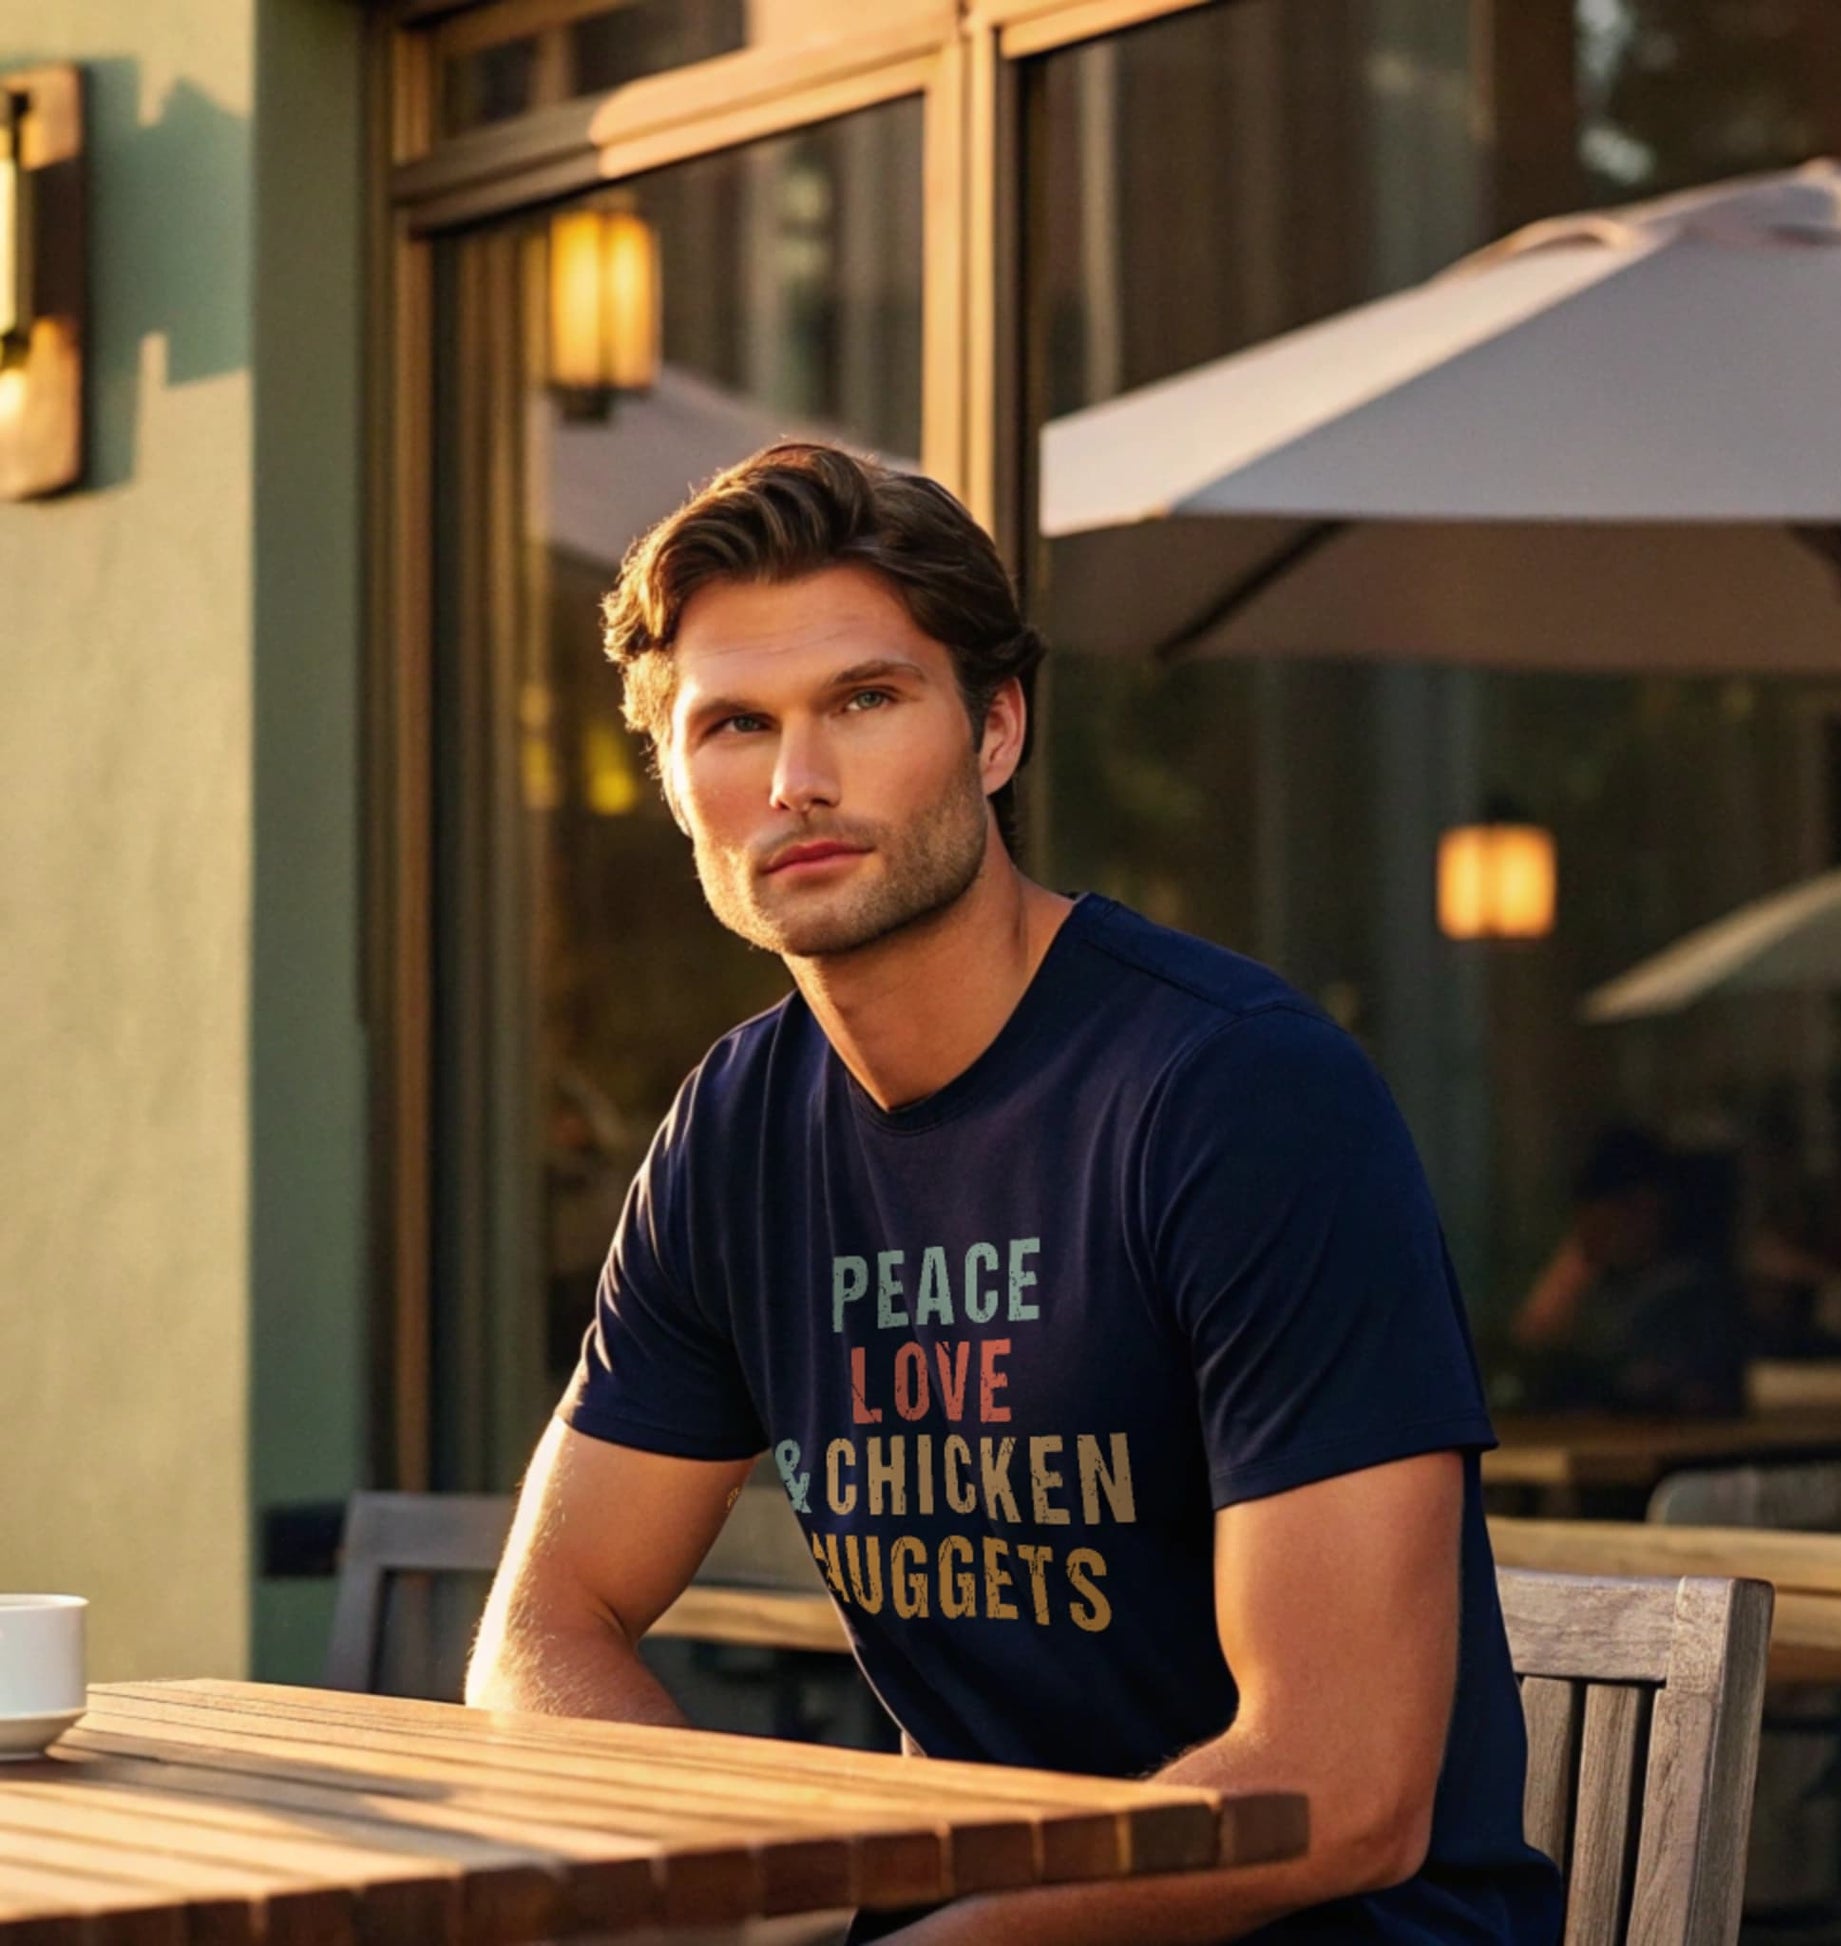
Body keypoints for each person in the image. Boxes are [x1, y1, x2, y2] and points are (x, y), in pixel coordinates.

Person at [465, 441, 1563, 1946]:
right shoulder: (736, 1132)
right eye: (733, 724)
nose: (797, 780)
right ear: (676, 785)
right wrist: (715, 1893)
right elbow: (543, 1628)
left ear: (993, 731)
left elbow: (1342, 1784)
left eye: (864, 699)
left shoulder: (1234, 1092)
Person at [1511, 1125, 1746, 1416]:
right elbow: (1529, 1346)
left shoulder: (1688, 1297)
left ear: (1645, 1207)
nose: (1589, 1237)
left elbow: (1658, 1391)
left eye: (1602, 1225)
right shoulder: (1608, 1284)